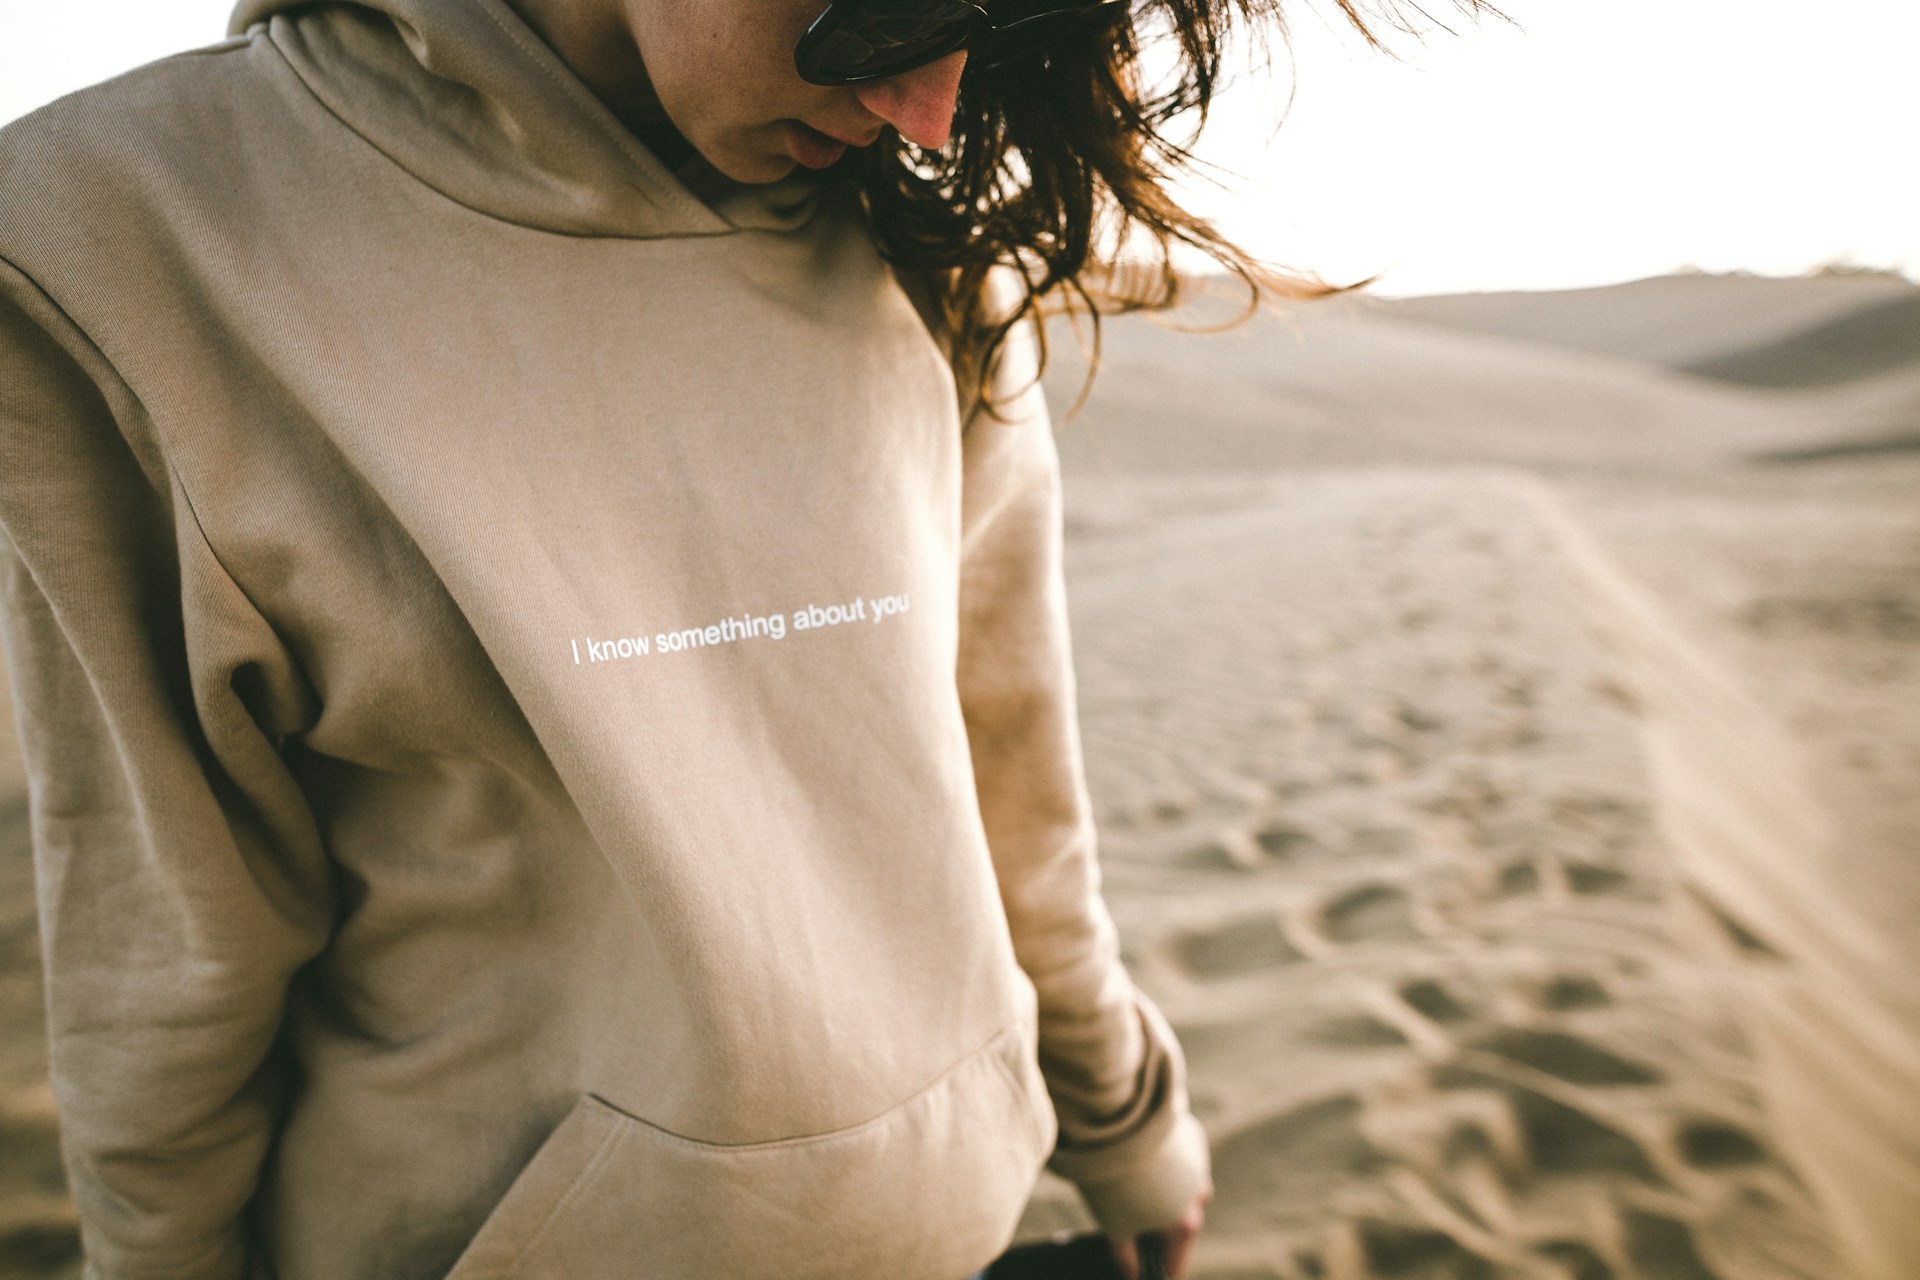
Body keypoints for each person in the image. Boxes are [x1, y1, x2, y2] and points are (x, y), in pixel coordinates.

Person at [0, 0, 1466, 1275]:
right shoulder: (120, 239)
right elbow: (171, 940)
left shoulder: (934, 241)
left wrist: (1123, 1113)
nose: (932, 105)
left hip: (960, 1238)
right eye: (897, 2)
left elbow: (1005, 771)